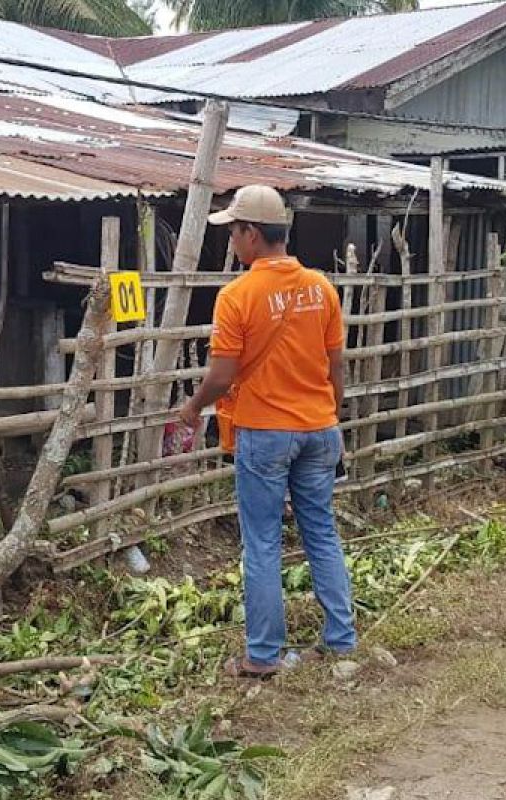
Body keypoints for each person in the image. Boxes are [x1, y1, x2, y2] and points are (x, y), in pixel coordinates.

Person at [178, 185, 355, 678]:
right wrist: (328, 414)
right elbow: (335, 367)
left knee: (261, 542)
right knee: (321, 531)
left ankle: (262, 655)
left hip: (265, 433)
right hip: (319, 427)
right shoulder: (321, 288)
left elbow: (220, 376)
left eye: (234, 232)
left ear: (251, 234)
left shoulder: (237, 296)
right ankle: (341, 640)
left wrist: (193, 408)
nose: (232, 242)